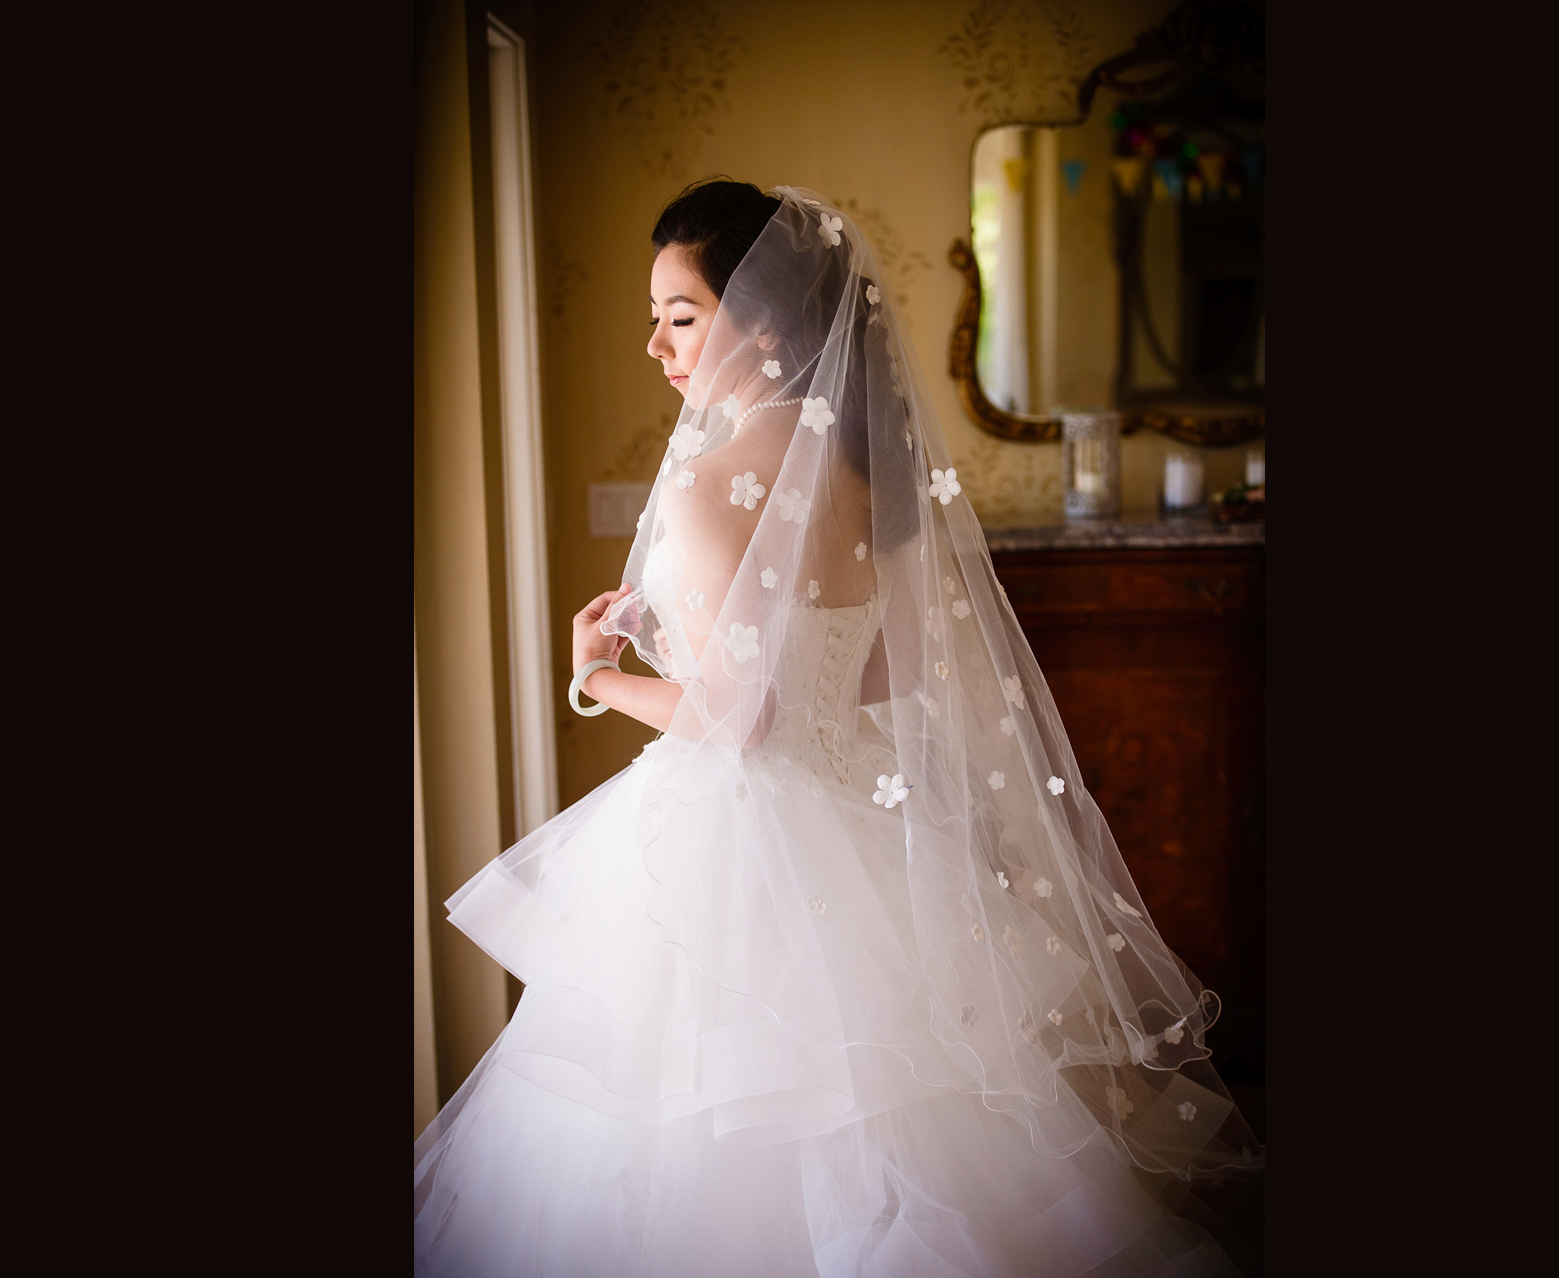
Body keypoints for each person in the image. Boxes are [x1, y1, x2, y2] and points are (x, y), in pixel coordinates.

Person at [415, 179, 1262, 1277]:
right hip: (857, 819)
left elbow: (738, 718)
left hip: (742, 846)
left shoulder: (711, 483)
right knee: (915, 1113)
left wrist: (598, 675)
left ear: (761, 321)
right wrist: (693, 637)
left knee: (689, 1126)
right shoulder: (869, 476)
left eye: (680, 315)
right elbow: (881, 669)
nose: (655, 345)